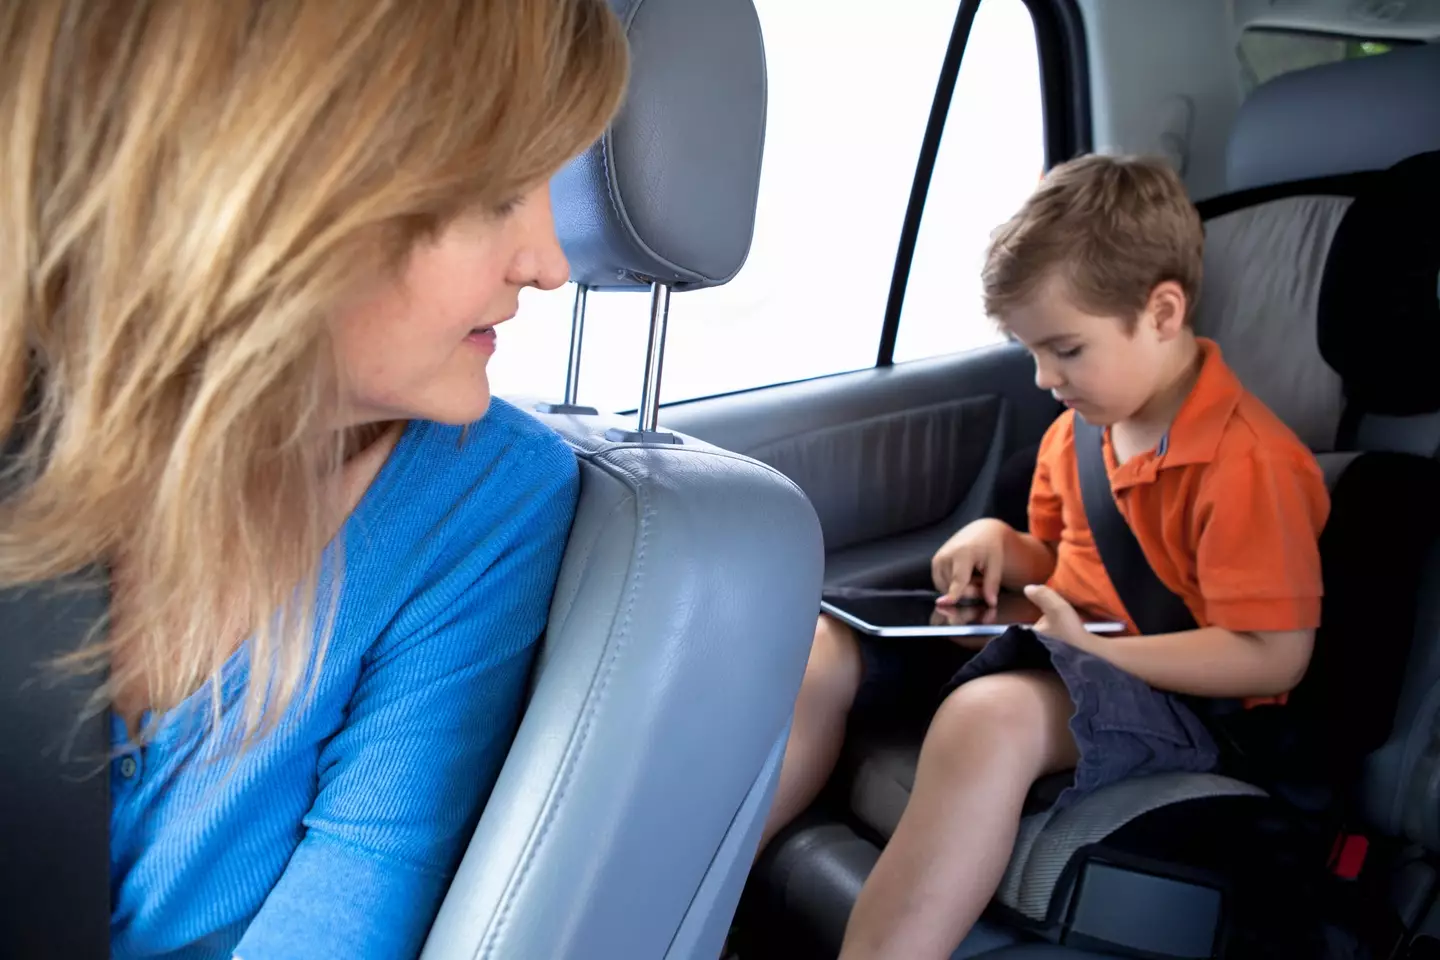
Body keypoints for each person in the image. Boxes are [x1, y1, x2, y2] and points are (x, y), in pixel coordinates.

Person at [0, 2, 628, 957]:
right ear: (265, 194)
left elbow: (358, 897)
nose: (548, 264)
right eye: (499, 193)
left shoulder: (483, 498)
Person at [756, 154, 1330, 960]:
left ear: (1162, 313)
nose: (1043, 378)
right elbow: (1063, 558)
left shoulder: (1245, 463)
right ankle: (706, 908)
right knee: (825, 645)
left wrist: (1097, 649)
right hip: (1071, 651)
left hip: (1184, 701)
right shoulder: (1078, 432)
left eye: (1065, 350)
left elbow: (1273, 658)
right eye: (1031, 351)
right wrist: (1000, 546)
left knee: (987, 717)